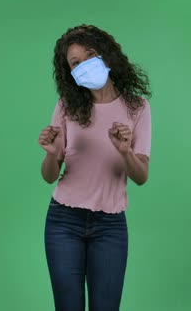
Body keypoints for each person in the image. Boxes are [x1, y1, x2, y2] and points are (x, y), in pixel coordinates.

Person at [37, 24, 152, 311]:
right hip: (63, 222)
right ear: (69, 73)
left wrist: (125, 152)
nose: (85, 65)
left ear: (106, 55)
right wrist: (52, 154)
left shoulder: (137, 108)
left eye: (89, 55)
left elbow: (141, 177)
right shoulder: (66, 107)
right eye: (75, 63)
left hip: (109, 226)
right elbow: (49, 175)